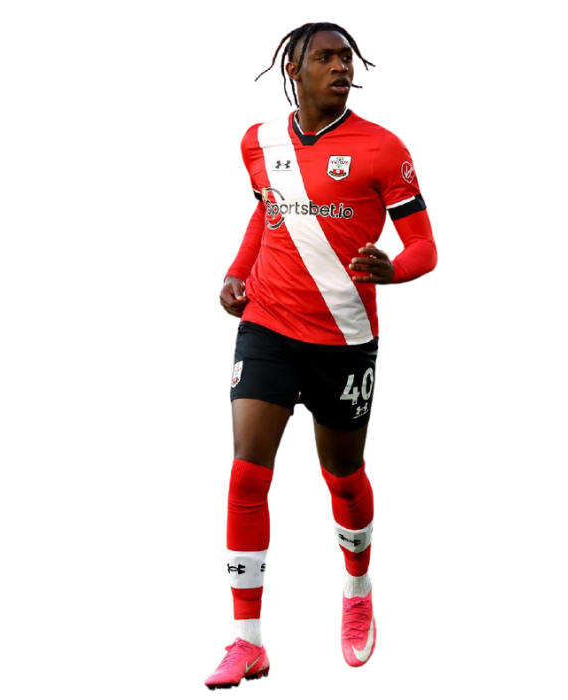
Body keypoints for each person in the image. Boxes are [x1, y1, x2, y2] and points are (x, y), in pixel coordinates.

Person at [204, 21, 438, 689]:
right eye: (327, 57)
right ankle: (247, 641)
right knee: (247, 472)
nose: (342, 68)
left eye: (348, 59)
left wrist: (395, 269)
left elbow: (426, 246)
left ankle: (357, 586)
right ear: (293, 70)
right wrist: (236, 273)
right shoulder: (258, 140)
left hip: (344, 336)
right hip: (268, 324)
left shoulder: (383, 146)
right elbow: (266, 211)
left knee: (343, 475)